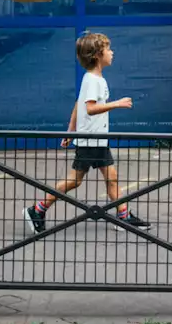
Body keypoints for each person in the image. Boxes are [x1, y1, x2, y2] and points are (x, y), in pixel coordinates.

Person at [24, 32, 150, 234]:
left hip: (97, 139)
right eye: (108, 49)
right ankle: (37, 210)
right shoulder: (92, 80)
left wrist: (70, 130)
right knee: (75, 181)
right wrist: (116, 104)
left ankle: (123, 216)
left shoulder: (94, 79)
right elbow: (89, 108)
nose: (112, 52)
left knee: (112, 177)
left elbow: (78, 104)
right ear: (98, 55)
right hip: (90, 140)